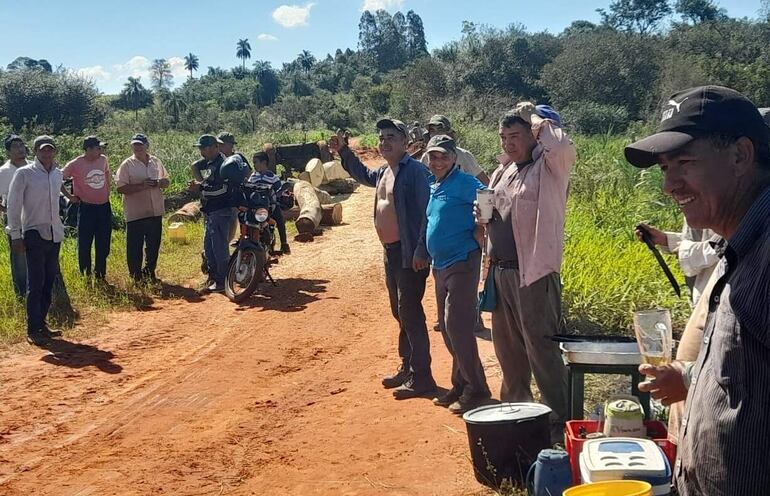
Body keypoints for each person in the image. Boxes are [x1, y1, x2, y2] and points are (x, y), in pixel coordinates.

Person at [624, 85, 770, 494]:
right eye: (664, 169)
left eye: (684, 162)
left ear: (741, 155)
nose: (670, 185)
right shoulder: (736, 242)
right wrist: (690, 375)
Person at [479, 103, 575, 439]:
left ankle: (559, 423)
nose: (508, 142)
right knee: (507, 351)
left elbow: (560, 143)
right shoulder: (503, 170)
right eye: (504, 136)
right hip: (500, 272)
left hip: (533, 274)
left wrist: (534, 115)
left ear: (533, 137)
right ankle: (517, 416)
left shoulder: (549, 168)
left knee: (542, 351)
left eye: (516, 135)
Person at [329, 118, 436, 399]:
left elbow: (428, 214)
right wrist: (344, 152)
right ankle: (408, 367)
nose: (385, 141)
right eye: (381, 137)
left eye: (391, 137)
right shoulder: (386, 172)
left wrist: (421, 251)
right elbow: (363, 174)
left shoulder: (415, 172)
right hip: (391, 253)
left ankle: (422, 377)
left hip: (410, 253)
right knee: (399, 311)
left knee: (410, 313)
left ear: (405, 143)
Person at [424, 134, 491, 414]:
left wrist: (481, 227)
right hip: (439, 265)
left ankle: (476, 388)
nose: (438, 161)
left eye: (444, 156)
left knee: (458, 326)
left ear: (454, 158)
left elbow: (488, 195)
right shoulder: (436, 185)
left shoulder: (464, 182)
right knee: (447, 327)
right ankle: (461, 383)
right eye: (433, 156)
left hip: (462, 260)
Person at [5, 136, 65, 345]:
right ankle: (33, 328)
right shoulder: (25, 174)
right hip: (33, 233)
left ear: (54, 152)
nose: (46, 154)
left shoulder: (58, 174)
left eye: (50, 150)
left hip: (54, 233)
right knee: (36, 281)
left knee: (49, 280)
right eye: (42, 150)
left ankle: (42, 323)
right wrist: (15, 235)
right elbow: (13, 206)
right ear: (36, 152)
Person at [115, 134, 170, 283]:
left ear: (147, 146)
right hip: (135, 212)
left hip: (155, 210)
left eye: (140, 145)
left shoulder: (155, 162)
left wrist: (158, 183)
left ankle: (149, 272)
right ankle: (135, 276)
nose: (137, 148)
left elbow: (166, 181)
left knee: (153, 245)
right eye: (134, 145)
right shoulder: (127, 165)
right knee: (134, 247)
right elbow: (120, 188)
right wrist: (142, 186)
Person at [189, 135, 238, 293]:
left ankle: (223, 280)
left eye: (203, 148)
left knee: (220, 247)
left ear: (214, 147)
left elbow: (223, 189)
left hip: (221, 210)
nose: (201, 151)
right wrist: (202, 185)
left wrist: (201, 188)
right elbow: (198, 170)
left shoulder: (224, 164)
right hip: (211, 210)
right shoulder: (211, 162)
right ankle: (214, 278)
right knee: (209, 247)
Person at [61, 136, 112, 280]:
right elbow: (59, 178)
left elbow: (107, 173)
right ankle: (85, 274)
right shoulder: (76, 164)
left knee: (104, 242)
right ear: (88, 149)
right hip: (86, 208)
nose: (101, 150)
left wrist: (108, 190)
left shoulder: (103, 160)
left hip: (104, 207)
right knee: (85, 242)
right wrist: (70, 197)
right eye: (98, 148)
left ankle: (100, 274)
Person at [634, 220, 719, 305]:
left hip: (723, 296)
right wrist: (666, 240)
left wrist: (685, 251)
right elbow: (703, 240)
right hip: (704, 300)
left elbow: (725, 244)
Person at [0, 134, 31, 298]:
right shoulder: (4, 172)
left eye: (21, 145)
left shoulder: (34, 166)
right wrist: (5, 210)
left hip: (35, 217)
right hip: (15, 220)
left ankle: (42, 290)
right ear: (8, 152)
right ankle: (22, 294)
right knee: (19, 257)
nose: (20, 149)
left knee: (39, 255)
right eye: (15, 147)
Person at [421, 115, 490, 185]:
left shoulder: (464, 155)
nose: (436, 133)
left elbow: (484, 181)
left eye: (440, 129)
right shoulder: (426, 156)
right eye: (432, 130)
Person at [250, 151, 290, 255]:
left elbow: (279, 190)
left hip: (270, 205)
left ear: (264, 163)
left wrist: (277, 196)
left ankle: (284, 243)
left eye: (256, 162)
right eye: (253, 162)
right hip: (257, 207)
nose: (254, 165)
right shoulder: (253, 177)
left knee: (280, 220)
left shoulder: (272, 177)